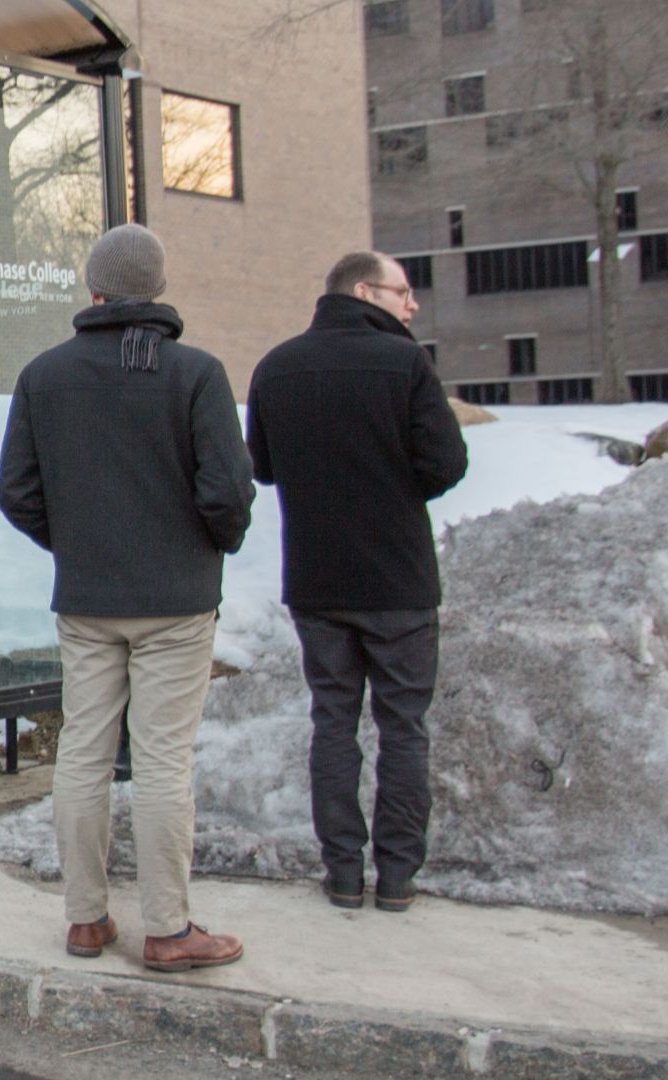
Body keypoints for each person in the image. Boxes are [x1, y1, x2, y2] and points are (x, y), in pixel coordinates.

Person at [0, 224, 255, 972]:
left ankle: (85, 920)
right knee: (163, 762)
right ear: (159, 289)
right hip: (176, 600)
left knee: (82, 751)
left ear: (93, 287)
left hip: (87, 598)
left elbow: (16, 491)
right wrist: (205, 545)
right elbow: (227, 493)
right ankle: (169, 930)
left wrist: (76, 542)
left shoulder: (44, 375)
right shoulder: (197, 374)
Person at [246, 251, 468, 914]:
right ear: (367, 291)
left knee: (333, 722)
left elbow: (263, 466)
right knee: (403, 726)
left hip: (317, 578)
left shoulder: (277, 366)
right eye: (404, 291)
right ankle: (397, 875)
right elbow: (447, 463)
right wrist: (395, 487)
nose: (414, 304)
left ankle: (342, 871)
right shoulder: (405, 365)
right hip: (398, 579)